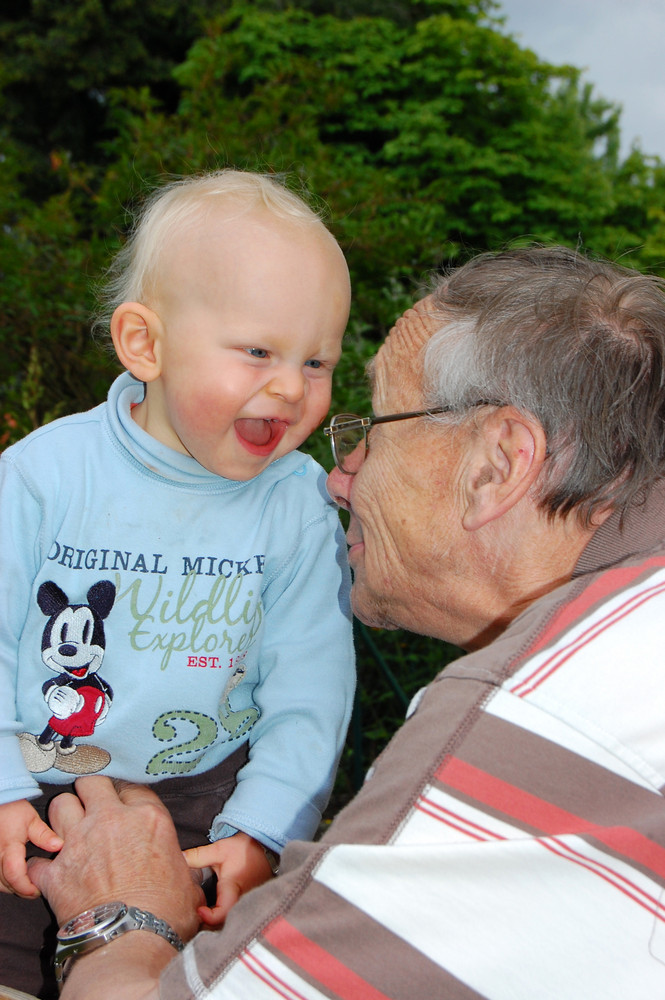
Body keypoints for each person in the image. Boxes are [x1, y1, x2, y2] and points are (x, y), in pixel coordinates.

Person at [25, 245, 665, 998]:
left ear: (498, 464)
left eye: (375, 427)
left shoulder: (522, 714)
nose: (337, 474)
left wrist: (119, 915)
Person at [0, 170, 356, 997]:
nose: (291, 386)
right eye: (259, 351)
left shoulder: (297, 503)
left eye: (317, 360)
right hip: (33, 789)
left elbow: (312, 687)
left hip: (205, 805)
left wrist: (261, 830)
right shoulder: (44, 476)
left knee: (176, 982)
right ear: (144, 345)